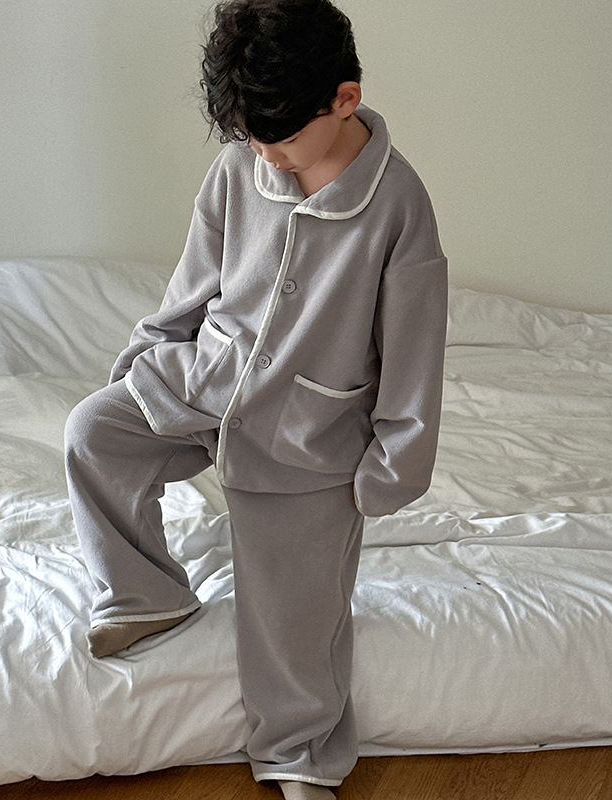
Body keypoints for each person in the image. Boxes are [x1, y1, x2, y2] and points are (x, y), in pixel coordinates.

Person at [64, 1, 448, 797]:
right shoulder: (241, 165)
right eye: (248, 138)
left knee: (295, 615)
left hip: (307, 430)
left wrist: (392, 464)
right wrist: (142, 361)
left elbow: (414, 349)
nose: (264, 155)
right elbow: (193, 282)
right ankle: (146, 592)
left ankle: (298, 754)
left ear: (343, 99)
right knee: (92, 433)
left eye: (278, 139)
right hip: (209, 380)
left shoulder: (397, 203)